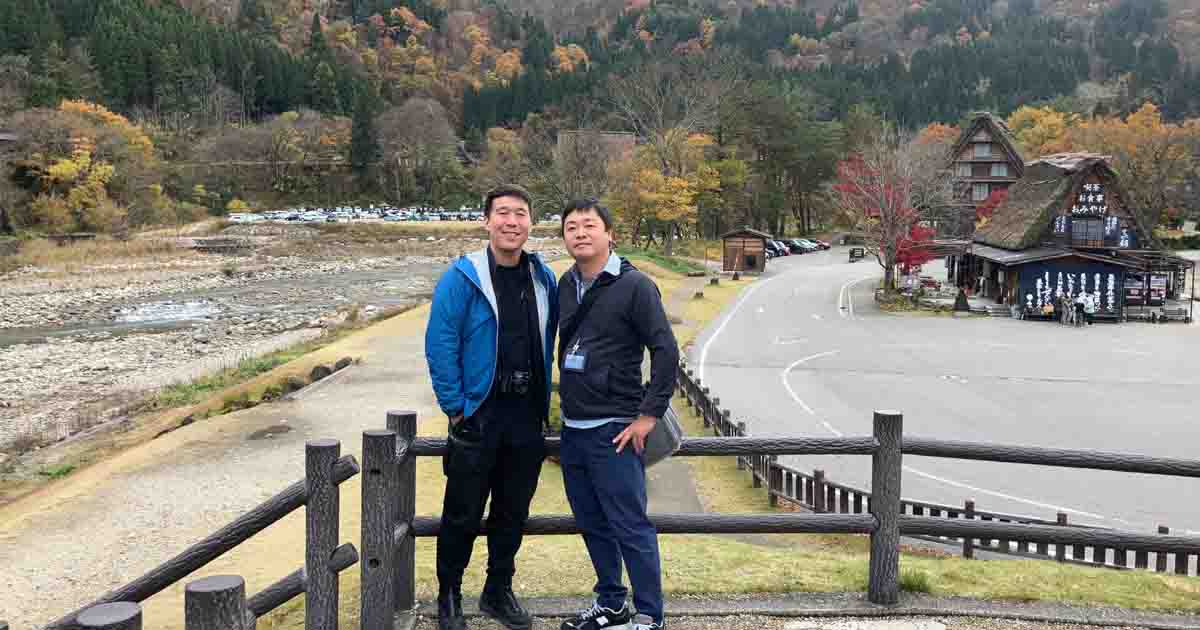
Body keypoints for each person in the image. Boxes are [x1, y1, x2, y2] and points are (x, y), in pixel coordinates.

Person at [425, 184, 559, 630]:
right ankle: (449, 596)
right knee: (461, 512)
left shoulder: (542, 278)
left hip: (526, 415)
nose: (511, 221)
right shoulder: (463, 276)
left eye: (520, 213)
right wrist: (455, 409)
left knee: (512, 511)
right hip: (478, 415)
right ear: (486, 221)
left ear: (530, 223)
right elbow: (440, 342)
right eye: (502, 213)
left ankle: (498, 591)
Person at [555, 199, 679, 630]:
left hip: (616, 429)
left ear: (611, 234)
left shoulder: (636, 286)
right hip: (573, 430)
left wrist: (649, 415)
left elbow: (666, 351)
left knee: (630, 525)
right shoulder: (565, 285)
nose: (580, 233)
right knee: (592, 522)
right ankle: (611, 604)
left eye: (589, 225)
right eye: (572, 227)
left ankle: (649, 615)